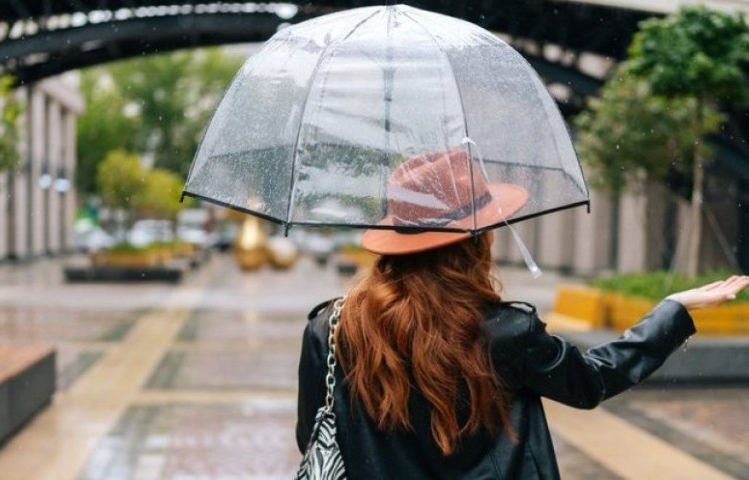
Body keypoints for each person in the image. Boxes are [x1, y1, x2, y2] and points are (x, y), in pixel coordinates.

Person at [295, 152, 749, 479]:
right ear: (474, 242)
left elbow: (312, 434)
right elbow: (591, 381)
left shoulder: (331, 329)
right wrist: (673, 310)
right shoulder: (506, 333)